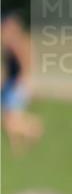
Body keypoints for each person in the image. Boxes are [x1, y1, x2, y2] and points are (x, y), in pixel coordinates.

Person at [1, 11, 44, 152]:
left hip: (17, 85)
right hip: (11, 83)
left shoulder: (20, 42)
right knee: (9, 120)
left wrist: (21, 83)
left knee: (11, 121)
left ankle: (34, 128)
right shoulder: (10, 43)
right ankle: (17, 149)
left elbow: (25, 64)